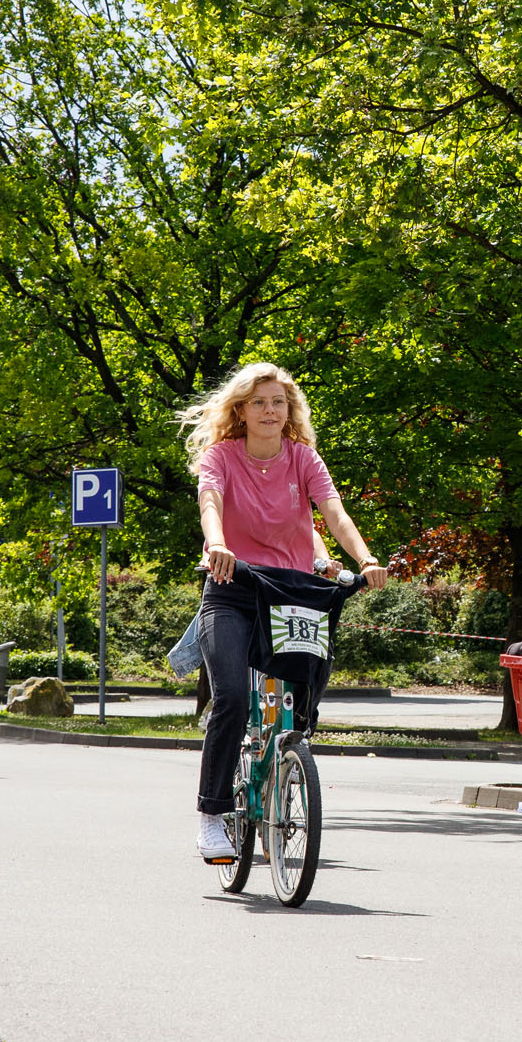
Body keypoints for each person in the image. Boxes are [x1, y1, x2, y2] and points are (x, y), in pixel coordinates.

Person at [177, 361, 389, 862]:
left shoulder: (303, 459)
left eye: (279, 402)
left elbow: (333, 510)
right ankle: (212, 813)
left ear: (289, 410)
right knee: (230, 696)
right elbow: (210, 501)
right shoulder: (221, 456)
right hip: (231, 587)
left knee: (303, 697)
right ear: (241, 410)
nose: (270, 411)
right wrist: (217, 543)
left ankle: (285, 765)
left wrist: (366, 558)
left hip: (291, 591)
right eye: (259, 402)